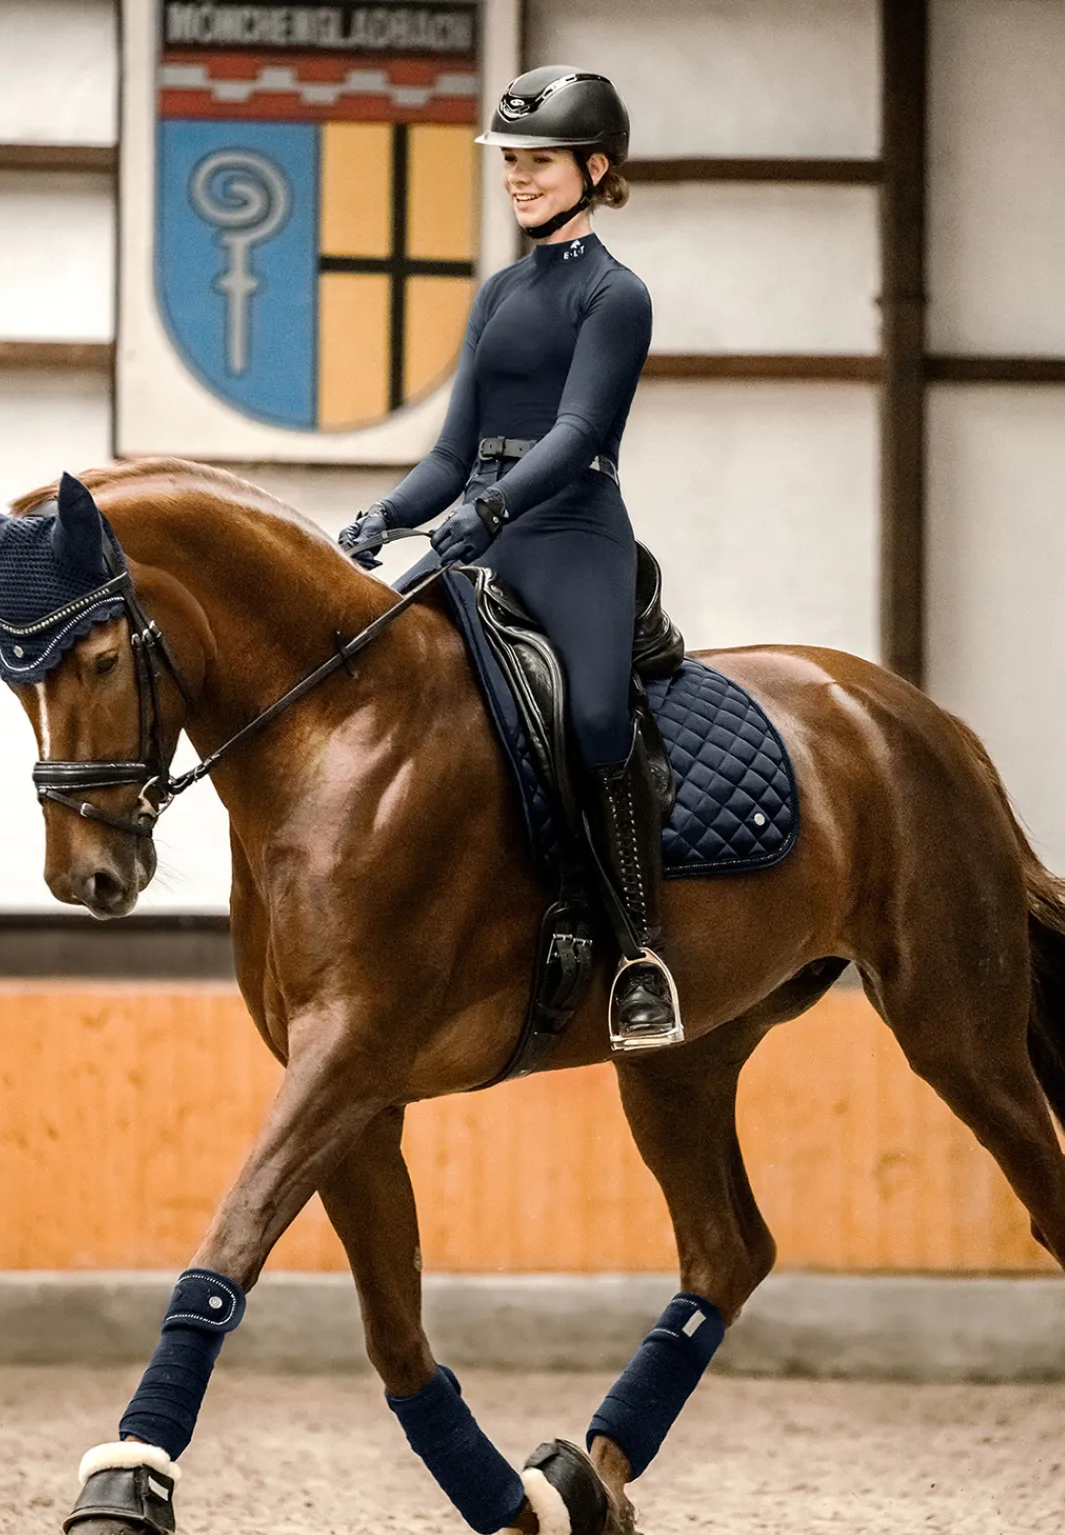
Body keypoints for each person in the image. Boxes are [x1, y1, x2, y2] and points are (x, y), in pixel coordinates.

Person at [337, 65, 682, 1050]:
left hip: (569, 530)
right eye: (511, 163)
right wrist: (385, 515)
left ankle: (638, 956)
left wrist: (488, 509)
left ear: (594, 167)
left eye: (536, 162)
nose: (518, 178)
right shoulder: (498, 294)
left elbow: (576, 433)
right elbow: (450, 452)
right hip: (483, 526)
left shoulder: (616, 295)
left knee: (598, 713)